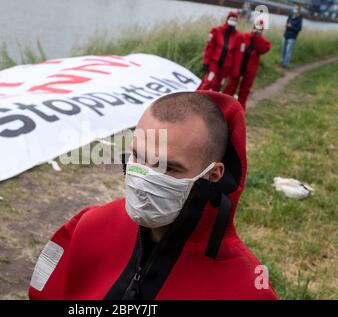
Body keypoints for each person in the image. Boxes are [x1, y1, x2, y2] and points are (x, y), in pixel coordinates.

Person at [28, 91, 278, 300]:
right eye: (138, 156)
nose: (144, 178)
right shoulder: (87, 226)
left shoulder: (246, 287)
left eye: (168, 167)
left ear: (213, 174)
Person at [223, 20, 271, 110]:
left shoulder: (263, 42)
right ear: (253, 27)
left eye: (260, 29)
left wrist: (257, 37)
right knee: (230, 88)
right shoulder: (244, 37)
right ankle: (225, 107)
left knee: (244, 92)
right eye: (256, 28)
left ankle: (240, 111)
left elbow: (263, 49)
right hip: (237, 68)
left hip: (249, 71)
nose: (257, 30)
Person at [198, 12, 244, 92]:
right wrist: (206, 62)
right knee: (209, 81)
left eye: (234, 20)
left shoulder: (238, 36)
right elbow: (209, 47)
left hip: (226, 67)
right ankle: (198, 97)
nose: (232, 21)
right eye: (231, 19)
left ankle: (212, 102)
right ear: (227, 19)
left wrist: (234, 72)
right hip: (214, 62)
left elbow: (237, 56)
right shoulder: (216, 31)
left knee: (218, 85)